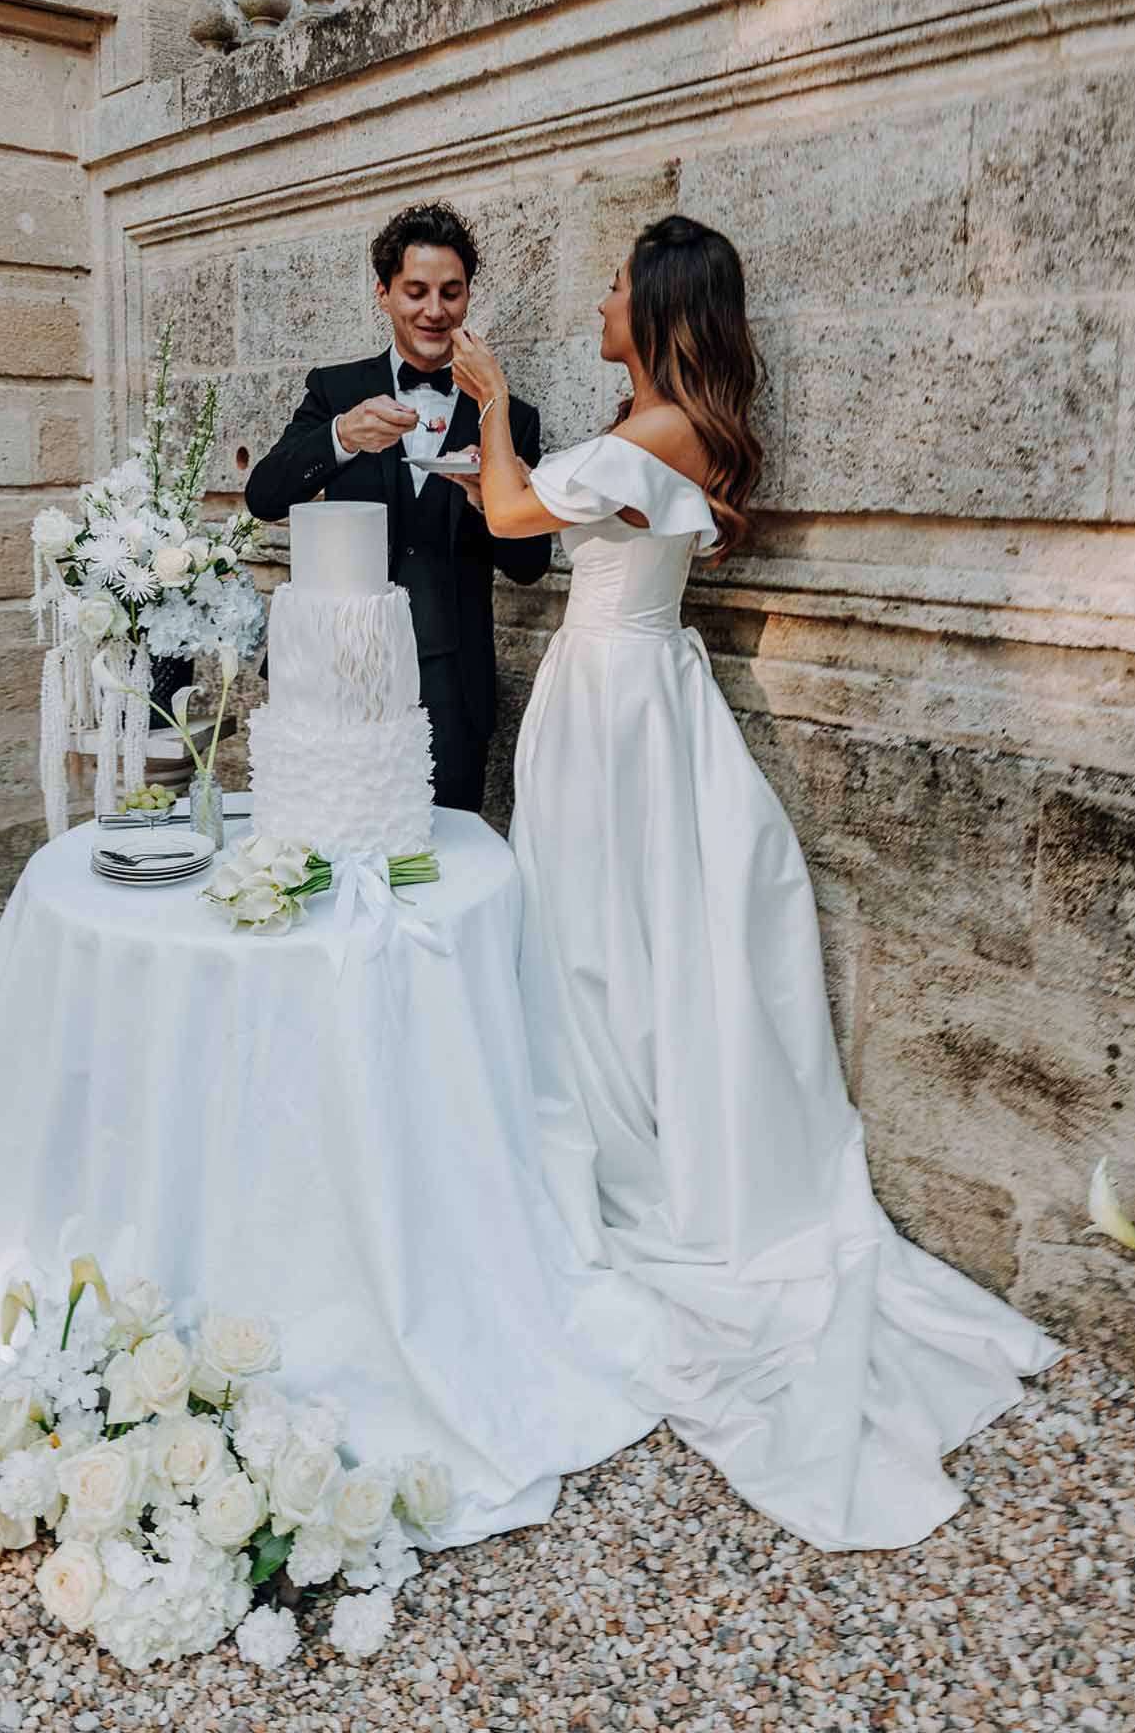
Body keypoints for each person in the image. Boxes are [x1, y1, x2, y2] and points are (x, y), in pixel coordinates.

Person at [448, 214, 1065, 1551]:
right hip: (617, 690)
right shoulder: (653, 430)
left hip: (616, 699)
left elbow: (511, 511)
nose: (598, 303)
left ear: (661, 306)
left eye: (614, 288)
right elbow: (549, 512)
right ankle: (606, 1111)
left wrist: (490, 408)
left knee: (611, 932)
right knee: (603, 928)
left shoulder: (659, 434)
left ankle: (638, 1152)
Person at [245, 202, 550, 813]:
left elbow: (529, 563)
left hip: (451, 681)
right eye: (416, 291)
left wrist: (488, 498)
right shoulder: (335, 390)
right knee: (330, 834)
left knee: (445, 856)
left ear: (467, 298)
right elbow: (264, 495)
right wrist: (341, 437)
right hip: (338, 671)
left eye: (450, 292)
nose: (434, 311)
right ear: (383, 294)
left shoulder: (511, 417)